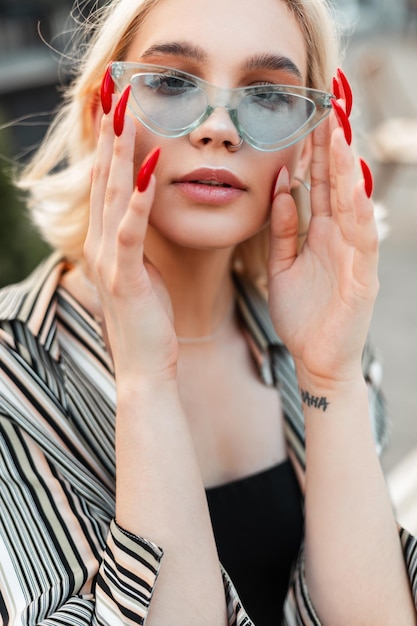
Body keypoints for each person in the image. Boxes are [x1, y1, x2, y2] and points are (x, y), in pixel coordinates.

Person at [0, 0, 416, 624]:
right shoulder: (13, 371)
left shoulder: (320, 344)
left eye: (268, 95)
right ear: (103, 113)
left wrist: (331, 378)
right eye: (170, 82)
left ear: (308, 143)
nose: (218, 127)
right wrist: (146, 381)